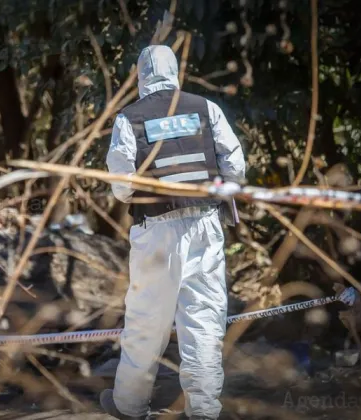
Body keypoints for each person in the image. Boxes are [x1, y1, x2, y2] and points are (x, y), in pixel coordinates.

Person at [102, 45, 247, 420]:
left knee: (146, 323)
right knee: (202, 322)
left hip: (156, 230)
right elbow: (235, 166)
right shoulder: (206, 108)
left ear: (140, 77)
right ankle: (202, 411)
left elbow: (120, 186)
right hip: (204, 227)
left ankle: (130, 407)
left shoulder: (129, 118)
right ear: (177, 71)